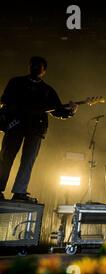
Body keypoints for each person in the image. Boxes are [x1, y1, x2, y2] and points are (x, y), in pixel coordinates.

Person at [0, 56, 78, 203]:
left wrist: (71, 111)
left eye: (38, 67)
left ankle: (19, 192)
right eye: (33, 66)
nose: (35, 69)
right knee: (5, 158)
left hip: (35, 130)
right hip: (15, 126)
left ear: (44, 71)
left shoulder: (47, 90)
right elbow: (5, 100)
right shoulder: (16, 82)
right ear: (29, 67)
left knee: (27, 161)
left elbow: (57, 110)